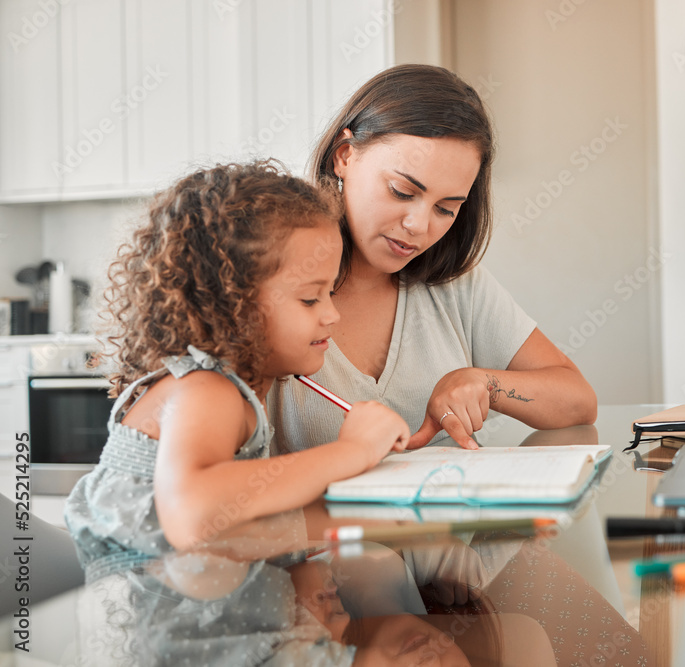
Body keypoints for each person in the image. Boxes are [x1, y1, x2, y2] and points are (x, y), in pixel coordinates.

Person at [64, 160, 411, 574]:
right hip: (158, 625)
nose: (332, 314)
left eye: (330, 292)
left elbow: (244, 522)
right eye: (309, 299)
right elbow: (194, 515)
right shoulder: (206, 389)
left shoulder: (228, 389)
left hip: (200, 612)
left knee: (375, 565)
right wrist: (353, 450)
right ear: (231, 307)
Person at [270, 64, 597, 454]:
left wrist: (483, 384)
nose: (418, 226)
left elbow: (578, 401)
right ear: (345, 156)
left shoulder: (454, 285)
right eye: (402, 191)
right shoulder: (271, 275)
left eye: (446, 208)